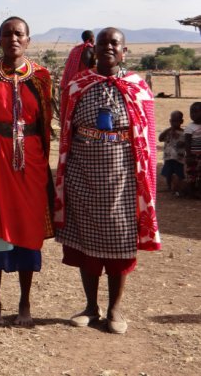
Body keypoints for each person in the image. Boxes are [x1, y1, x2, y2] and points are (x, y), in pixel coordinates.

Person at [54, 27, 160, 335]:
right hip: (83, 174)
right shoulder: (78, 85)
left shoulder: (138, 87)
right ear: (94, 50)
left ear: (124, 51)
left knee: (120, 244)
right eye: (103, 43)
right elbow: (66, 133)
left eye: (115, 43)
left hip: (124, 178)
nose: (109, 47)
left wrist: (147, 181)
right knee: (87, 243)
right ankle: (90, 306)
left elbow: (149, 140)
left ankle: (114, 309)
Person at [0, 16, 54, 327]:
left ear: (28, 40)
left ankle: (25, 303)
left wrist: (43, 165)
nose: (13, 39)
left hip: (28, 158)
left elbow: (44, 124)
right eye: (7, 34)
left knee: (27, 227)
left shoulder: (41, 77)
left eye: (19, 34)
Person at [59, 30, 95, 124]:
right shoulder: (91, 50)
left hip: (73, 84)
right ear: (92, 38)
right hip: (87, 85)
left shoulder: (75, 50)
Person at [158, 110, 185, 195]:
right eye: (172, 121)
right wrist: (169, 129)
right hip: (168, 157)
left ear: (181, 121)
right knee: (168, 173)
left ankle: (178, 188)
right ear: (170, 121)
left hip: (179, 158)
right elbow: (160, 138)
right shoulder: (168, 132)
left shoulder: (184, 133)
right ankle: (169, 187)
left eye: (177, 121)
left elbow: (188, 143)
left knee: (179, 173)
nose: (174, 123)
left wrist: (183, 143)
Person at [184, 102, 201, 198]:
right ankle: (191, 192)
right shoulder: (190, 127)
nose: (193, 115)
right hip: (193, 155)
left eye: (195, 112)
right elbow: (187, 142)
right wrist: (189, 155)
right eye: (191, 112)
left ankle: (198, 191)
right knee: (192, 174)